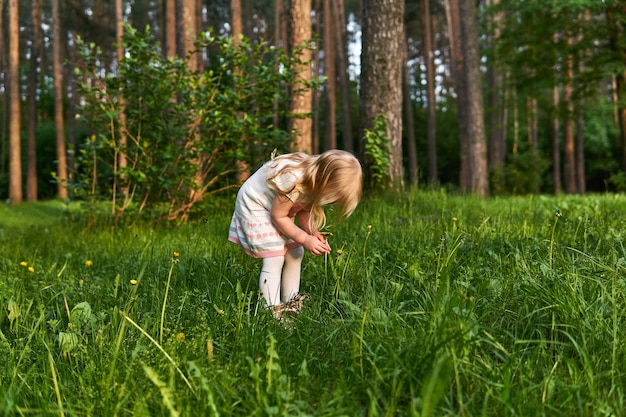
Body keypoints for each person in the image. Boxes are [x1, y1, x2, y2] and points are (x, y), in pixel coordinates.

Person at [228, 149, 363, 318]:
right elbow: (278, 216)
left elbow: (303, 210)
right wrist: (305, 238)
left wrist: (312, 232)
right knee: (274, 257)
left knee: (296, 252)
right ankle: (270, 310)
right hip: (255, 203)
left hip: (277, 209)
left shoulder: (314, 180)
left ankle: (291, 303)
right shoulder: (294, 181)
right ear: (325, 181)